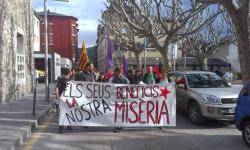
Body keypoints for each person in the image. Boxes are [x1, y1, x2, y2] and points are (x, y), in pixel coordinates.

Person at [109, 67, 129, 133]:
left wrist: (124, 91)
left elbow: (129, 86)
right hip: (116, 99)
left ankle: (120, 125)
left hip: (123, 98)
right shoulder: (114, 79)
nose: (114, 73)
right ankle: (118, 125)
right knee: (117, 112)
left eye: (115, 72)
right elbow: (111, 87)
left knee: (121, 112)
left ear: (118, 72)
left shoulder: (124, 79)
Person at [55, 68, 73, 134]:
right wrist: (57, 95)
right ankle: (61, 127)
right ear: (68, 73)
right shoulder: (61, 79)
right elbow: (57, 87)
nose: (71, 73)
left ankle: (68, 125)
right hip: (62, 98)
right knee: (62, 112)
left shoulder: (70, 80)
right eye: (70, 72)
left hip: (68, 99)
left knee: (69, 112)